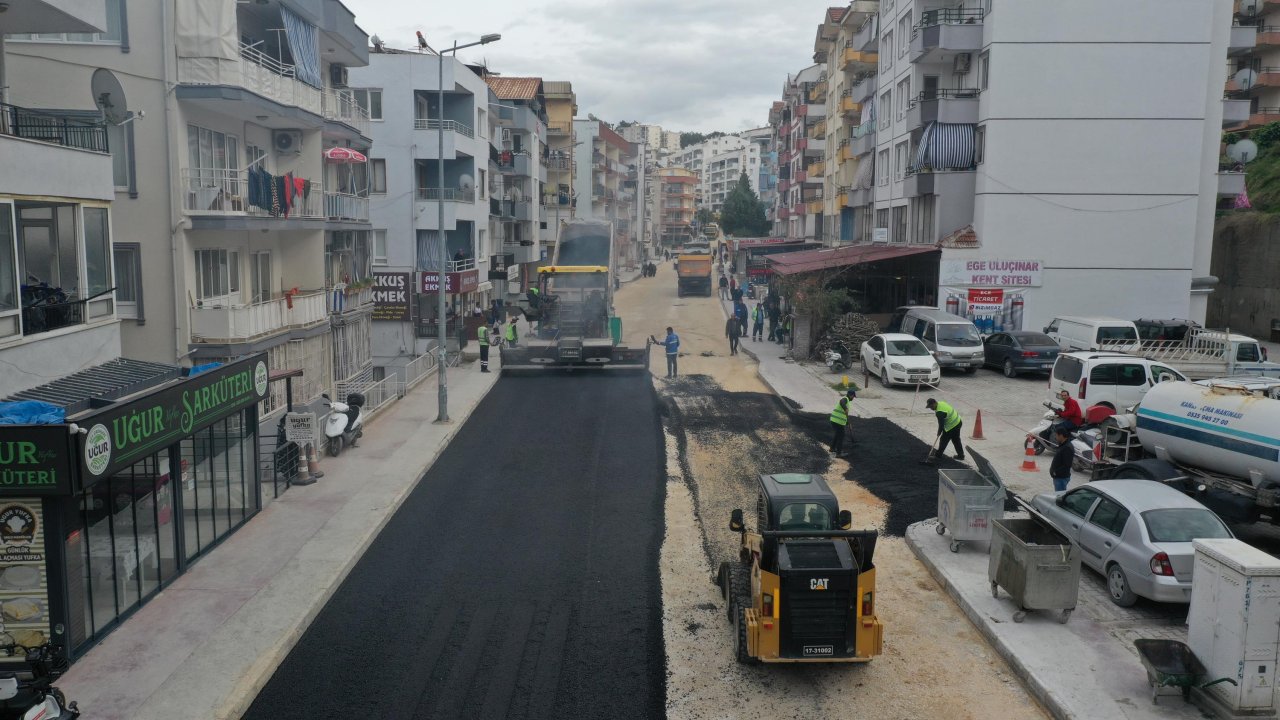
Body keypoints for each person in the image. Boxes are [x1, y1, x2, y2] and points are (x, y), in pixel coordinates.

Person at [830, 388, 855, 456]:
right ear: (851, 395)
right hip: (837, 422)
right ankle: (839, 453)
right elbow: (842, 402)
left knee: (837, 434)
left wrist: (847, 423)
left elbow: (844, 415)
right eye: (853, 396)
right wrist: (845, 408)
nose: (853, 398)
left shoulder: (848, 401)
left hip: (835, 420)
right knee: (841, 436)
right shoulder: (845, 399)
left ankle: (832, 448)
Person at [1049, 427, 1075, 492]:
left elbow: (1067, 465)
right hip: (1059, 477)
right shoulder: (1063, 445)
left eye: (1056, 435)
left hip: (1061, 478)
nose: (1055, 438)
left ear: (1061, 435)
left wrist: (1055, 472)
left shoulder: (1067, 448)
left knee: (1059, 495)